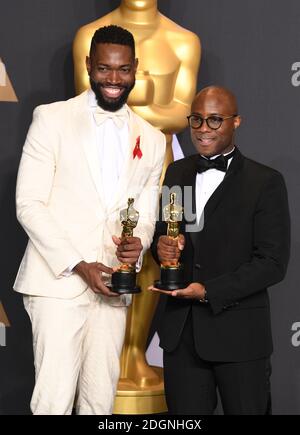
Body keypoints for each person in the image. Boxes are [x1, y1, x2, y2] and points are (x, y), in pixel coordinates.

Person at [14, 25, 165, 415]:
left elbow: (146, 213)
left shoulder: (151, 138)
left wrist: (140, 241)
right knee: (54, 400)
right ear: (88, 66)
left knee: (100, 402)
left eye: (122, 70)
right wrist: (80, 265)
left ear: (135, 69)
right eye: (104, 69)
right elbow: (28, 204)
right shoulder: (51, 119)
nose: (114, 80)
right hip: (58, 283)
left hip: (114, 287)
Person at [73, 0, 200, 413]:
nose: (117, 76)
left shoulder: (184, 40)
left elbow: (184, 110)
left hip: (159, 165)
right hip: (102, 163)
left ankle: (135, 355)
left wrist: (135, 102)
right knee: (108, 246)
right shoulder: (90, 33)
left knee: (152, 254)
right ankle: (103, 355)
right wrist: (148, 102)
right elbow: (88, 101)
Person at [150, 86, 290, 415]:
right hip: (181, 337)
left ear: (236, 122)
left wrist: (208, 291)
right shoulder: (178, 173)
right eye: (196, 120)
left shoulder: (265, 182)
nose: (202, 129)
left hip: (239, 338)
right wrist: (164, 248)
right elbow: (168, 232)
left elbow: (272, 262)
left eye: (215, 120)